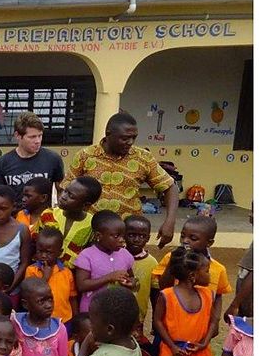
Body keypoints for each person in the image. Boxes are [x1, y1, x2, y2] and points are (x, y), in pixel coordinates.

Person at [63, 112, 178, 246]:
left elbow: (170, 187)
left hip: (126, 237)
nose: (130, 142)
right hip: (90, 233)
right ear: (108, 133)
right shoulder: (85, 156)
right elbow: (66, 188)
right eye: (125, 138)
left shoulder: (143, 158)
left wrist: (170, 222)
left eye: (134, 138)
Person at [153, 247, 217, 356]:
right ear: (192, 275)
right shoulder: (167, 295)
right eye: (207, 271)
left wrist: (204, 343)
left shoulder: (207, 295)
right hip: (173, 352)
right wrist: (172, 345)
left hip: (199, 353)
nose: (209, 275)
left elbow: (213, 321)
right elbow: (157, 321)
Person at [152, 216, 233, 323]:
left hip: (200, 323)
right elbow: (163, 287)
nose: (185, 241)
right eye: (182, 236)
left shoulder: (218, 269)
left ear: (209, 243)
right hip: (173, 321)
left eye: (193, 238)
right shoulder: (170, 258)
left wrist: (215, 320)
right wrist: (173, 261)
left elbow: (218, 296)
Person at [0, 112, 64, 203]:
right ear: (17, 135)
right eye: (32, 137)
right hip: (14, 211)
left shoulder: (53, 159)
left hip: (43, 212)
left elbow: (62, 191)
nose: (37, 141)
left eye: (40, 136)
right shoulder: (3, 162)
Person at [74, 210, 137, 314]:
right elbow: (82, 285)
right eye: (116, 236)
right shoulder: (86, 256)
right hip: (92, 311)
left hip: (118, 311)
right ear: (98, 236)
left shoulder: (125, 254)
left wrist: (131, 283)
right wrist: (109, 277)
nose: (122, 240)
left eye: (123, 236)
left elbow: (131, 277)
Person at [13, 278, 68, 356]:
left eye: (50, 299)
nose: (48, 305)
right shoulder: (16, 324)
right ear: (25, 304)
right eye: (41, 301)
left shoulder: (59, 329)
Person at [26, 227, 77, 327]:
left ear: (60, 252)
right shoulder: (32, 270)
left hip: (64, 320)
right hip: (40, 320)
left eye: (48, 252)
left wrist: (76, 317)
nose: (43, 256)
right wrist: (45, 277)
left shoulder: (66, 273)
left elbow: (72, 298)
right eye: (40, 251)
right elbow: (31, 294)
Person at [51, 176, 102, 268]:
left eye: (71, 196)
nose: (63, 196)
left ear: (86, 205)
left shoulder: (92, 225)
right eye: (65, 191)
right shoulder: (50, 215)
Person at [125, 215, 159, 324]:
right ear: (123, 234)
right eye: (131, 235)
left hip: (138, 319)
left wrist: (155, 321)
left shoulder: (152, 263)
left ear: (148, 238)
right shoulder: (115, 257)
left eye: (142, 236)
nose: (136, 240)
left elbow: (155, 294)